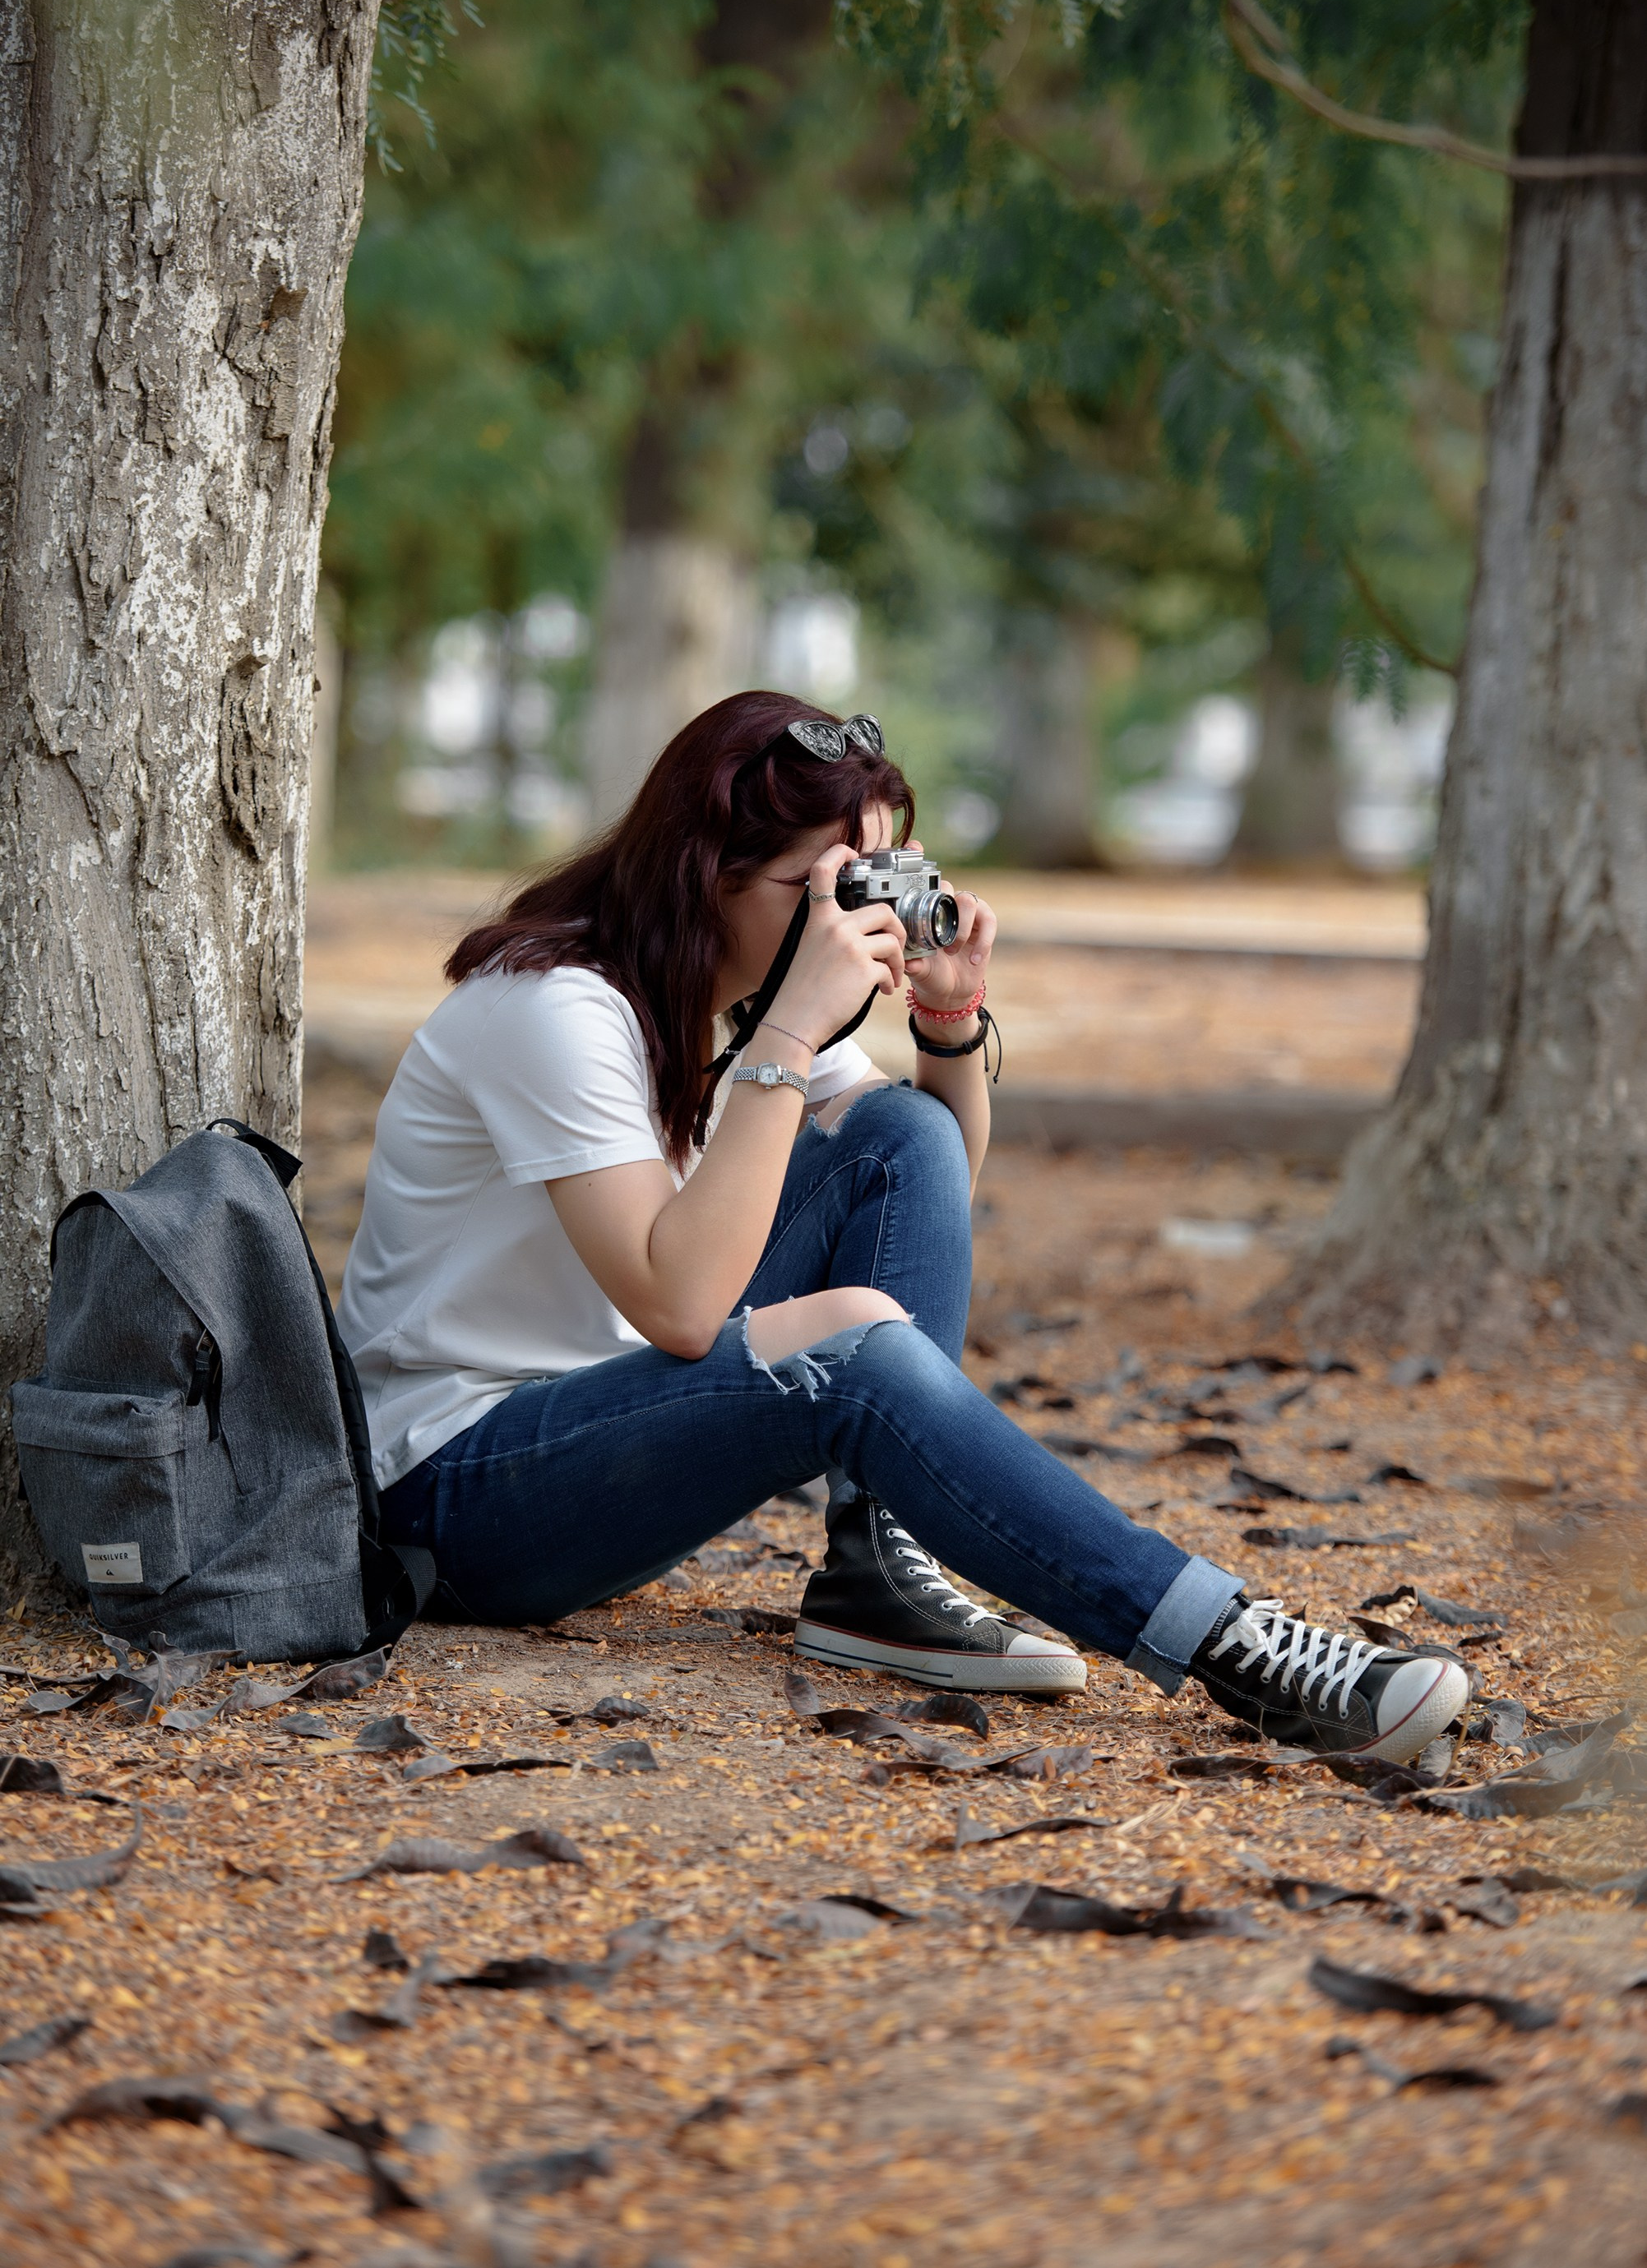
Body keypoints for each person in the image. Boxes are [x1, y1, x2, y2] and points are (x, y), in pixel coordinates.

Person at [338, 691, 1465, 1760]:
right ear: (711, 876)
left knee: (899, 1130)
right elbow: (679, 1307)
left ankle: (881, 1567)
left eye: (875, 879)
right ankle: (1235, 1648)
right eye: (829, 887)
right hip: (459, 1497)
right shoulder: (556, 1009)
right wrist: (789, 1025)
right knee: (851, 1352)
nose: (859, 917)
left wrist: (949, 1019)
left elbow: (925, 1190)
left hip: (613, 1428)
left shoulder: (732, 989)